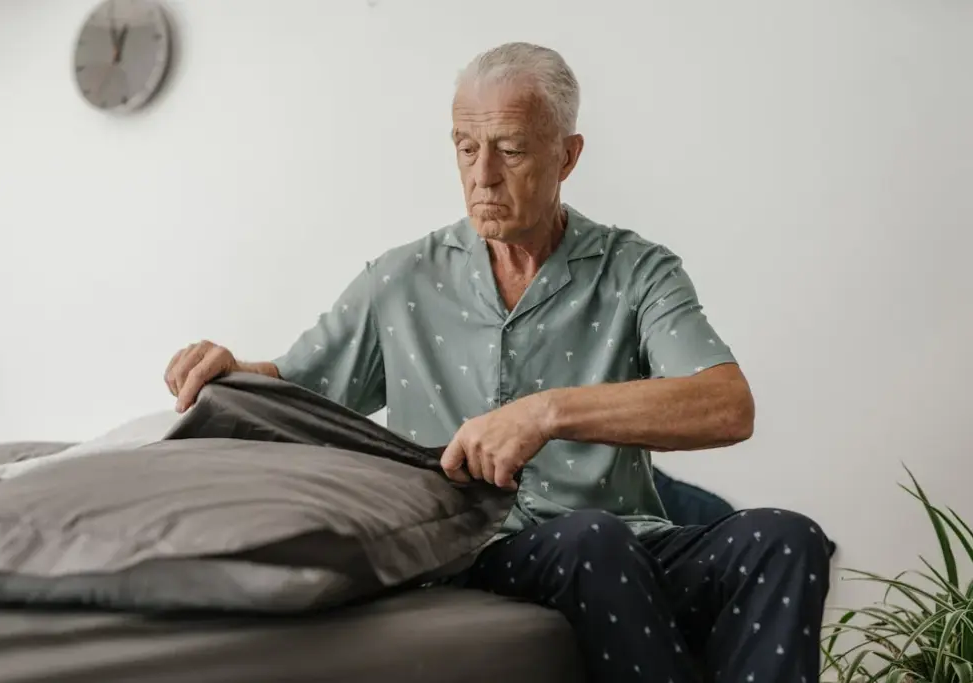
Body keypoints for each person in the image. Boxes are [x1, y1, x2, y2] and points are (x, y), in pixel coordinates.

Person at [164, 42, 831, 683]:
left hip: (628, 539)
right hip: (479, 550)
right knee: (591, 541)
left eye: (510, 150)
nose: (482, 174)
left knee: (785, 538)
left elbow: (726, 405)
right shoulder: (400, 281)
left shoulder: (637, 270)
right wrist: (232, 365)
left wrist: (547, 412)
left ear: (567, 156)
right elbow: (292, 391)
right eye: (465, 147)